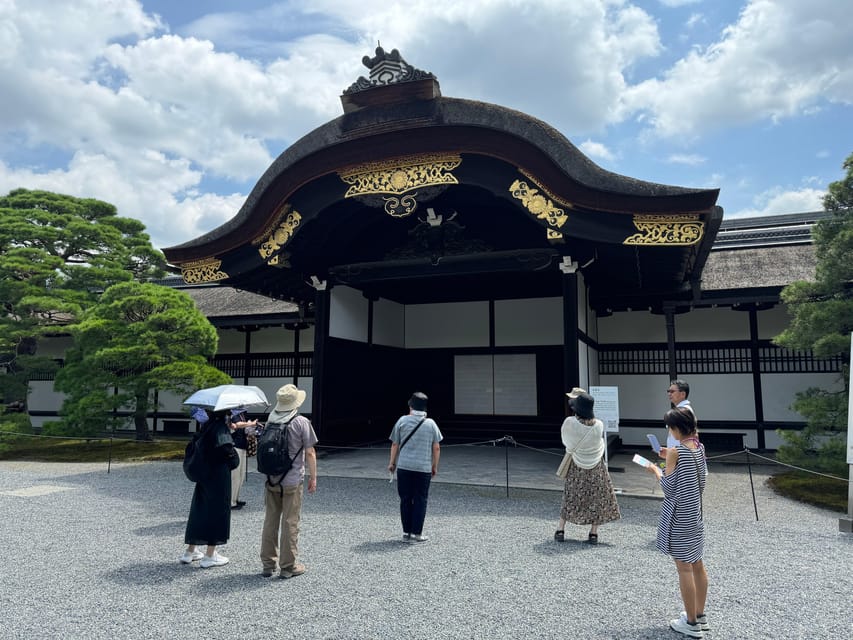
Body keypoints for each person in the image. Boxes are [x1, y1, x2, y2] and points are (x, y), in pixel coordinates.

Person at [645, 407, 709, 638]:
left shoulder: (676, 452)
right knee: (698, 564)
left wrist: (656, 469)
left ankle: (690, 623)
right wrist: (669, 457)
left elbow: (668, 489)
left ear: (675, 429)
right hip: (695, 512)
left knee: (684, 567)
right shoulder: (699, 448)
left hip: (679, 515)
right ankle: (699, 615)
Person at [260, 383, 318, 579]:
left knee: (270, 521)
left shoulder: (270, 420)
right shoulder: (301, 422)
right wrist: (313, 477)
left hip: (271, 479)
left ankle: (268, 564)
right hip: (292, 480)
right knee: (290, 522)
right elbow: (310, 451)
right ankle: (287, 566)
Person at [554, 389, 620, 544]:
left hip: (576, 465)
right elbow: (600, 444)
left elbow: (567, 443)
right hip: (596, 465)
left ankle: (561, 529)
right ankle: (593, 533)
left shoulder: (570, 422)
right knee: (597, 497)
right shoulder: (599, 425)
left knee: (571, 496)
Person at [180, 406, 240, 568]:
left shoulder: (206, 426)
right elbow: (226, 449)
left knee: (199, 509)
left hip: (203, 473)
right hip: (217, 476)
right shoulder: (220, 428)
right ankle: (210, 555)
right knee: (217, 511)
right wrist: (233, 457)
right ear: (225, 414)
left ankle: (190, 551)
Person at [387, 392, 442, 542]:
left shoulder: (402, 421)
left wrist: (392, 463)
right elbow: (436, 447)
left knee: (405, 499)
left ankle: (406, 533)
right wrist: (434, 466)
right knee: (420, 499)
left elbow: (395, 443)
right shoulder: (431, 424)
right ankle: (417, 534)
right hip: (423, 468)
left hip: (404, 467)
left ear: (410, 406)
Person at [227, 406, 259, 510]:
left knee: (240, 476)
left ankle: (235, 498)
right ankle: (231, 501)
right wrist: (250, 424)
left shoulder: (242, 414)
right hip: (236, 447)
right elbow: (237, 425)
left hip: (242, 446)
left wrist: (251, 427)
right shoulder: (234, 413)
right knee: (235, 476)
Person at [661, 379, 696, 458]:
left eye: (672, 391)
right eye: (668, 391)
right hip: (679, 452)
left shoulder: (683, 411)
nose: (669, 394)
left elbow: (693, 434)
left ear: (683, 394)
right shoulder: (684, 409)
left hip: (680, 454)